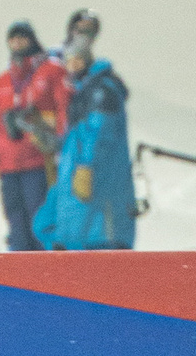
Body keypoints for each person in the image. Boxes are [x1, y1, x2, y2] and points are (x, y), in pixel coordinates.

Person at [35, 28, 136, 249]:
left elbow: (98, 133)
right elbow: (78, 136)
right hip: (74, 180)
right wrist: (51, 140)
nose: (73, 66)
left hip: (93, 182)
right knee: (46, 225)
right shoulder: (84, 92)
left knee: (91, 235)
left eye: (78, 60)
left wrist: (86, 166)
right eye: (69, 61)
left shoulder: (101, 92)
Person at [0, 22, 66, 252]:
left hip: (37, 160)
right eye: (13, 39)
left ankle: (43, 265)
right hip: (7, 165)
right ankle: (19, 262)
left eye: (22, 38)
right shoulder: (1, 84)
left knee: (39, 217)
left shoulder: (49, 72)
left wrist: (60, 146)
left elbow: (63, 109)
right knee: (14, 217)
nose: (17, 44)